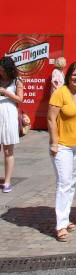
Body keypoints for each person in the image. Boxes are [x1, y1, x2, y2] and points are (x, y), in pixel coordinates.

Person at [48, 61, 76, 241]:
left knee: (71, 184)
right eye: (74, 74)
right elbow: (51, 119)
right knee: (64, 184)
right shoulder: (60, 93)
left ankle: (65, 219)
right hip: (63, 146)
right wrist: (54, 143)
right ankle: (60, 226)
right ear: (68, 75)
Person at [0, 56, 23, 194]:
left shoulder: (17, 80)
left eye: (3, 70)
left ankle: (7, 181)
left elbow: (20, 99)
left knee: (8, 150)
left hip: (9, 116)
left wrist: (6, 93)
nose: (1, 72)